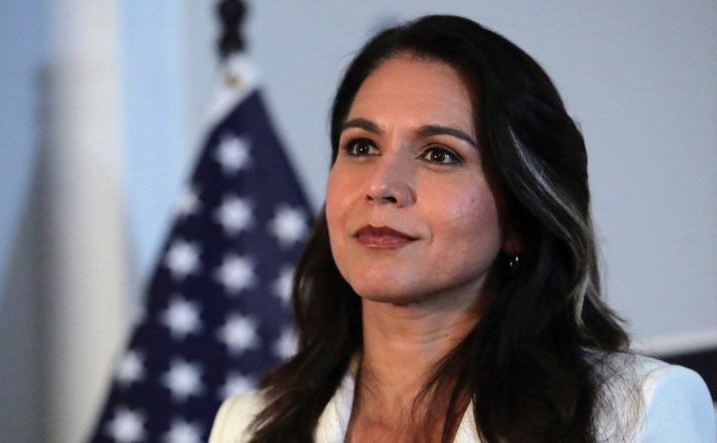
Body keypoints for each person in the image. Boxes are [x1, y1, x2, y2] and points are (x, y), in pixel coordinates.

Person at [208, 15, 716, 443]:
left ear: (519, 217)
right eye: (361, 146)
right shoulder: (246, 425)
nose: (382, 186)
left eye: (439, 154)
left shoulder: (636, 411)